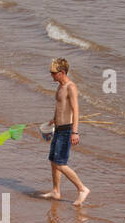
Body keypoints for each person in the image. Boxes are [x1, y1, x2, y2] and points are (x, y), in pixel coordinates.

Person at [39, 58, 90, 206]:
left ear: (62, 72)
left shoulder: (70, 87)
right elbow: (59, 105)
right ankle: (56, 191)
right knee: (53, 162)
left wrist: (75, 132)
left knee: (60, 163)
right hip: (58, 128)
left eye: (54, 73)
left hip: (67, 130)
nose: (51, 76)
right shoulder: (59, 87)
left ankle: (82, 189)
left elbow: (75, 110)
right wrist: (54, 119)